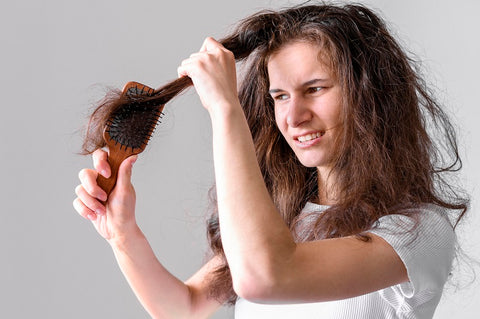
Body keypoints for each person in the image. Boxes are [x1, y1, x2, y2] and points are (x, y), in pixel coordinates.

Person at [73, 3, 469, 318]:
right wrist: (122, 234)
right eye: (280, 96)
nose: (293, 117)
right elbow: (183, 308)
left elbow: (266, 276)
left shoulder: (416, 232)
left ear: (371, 95)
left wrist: (225, 110)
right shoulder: (282, 222)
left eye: (314, 89)